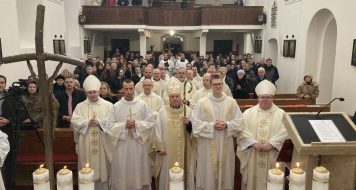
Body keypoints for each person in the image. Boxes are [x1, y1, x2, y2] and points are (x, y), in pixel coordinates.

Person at [192, 74, 245, 190]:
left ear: (223, 84)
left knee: (226, 171)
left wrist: (227, 125)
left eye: (219, 84)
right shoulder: (202, 103)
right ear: (210, 85)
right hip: (207, 143)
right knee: (208, 171)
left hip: (226, 140)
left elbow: (240, 121)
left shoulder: (231, 102)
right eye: (215, 84)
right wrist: (212, 126)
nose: (217, 86)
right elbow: (195, 123)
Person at [236, 80, 289, 190]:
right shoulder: (248, 113)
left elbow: (286, 132)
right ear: (258, 98)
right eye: (262, 97)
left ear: (272, 98)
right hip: (253, 154)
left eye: (268, 97)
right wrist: (253, 143)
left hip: (273, 155)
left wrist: (272, 144)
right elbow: (242, 131)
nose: (265, 100)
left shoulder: (281, 114)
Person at [108, 79, 155, 190]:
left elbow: (151, 122)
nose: (129, 91)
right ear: (123, 90)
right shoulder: (116, 106)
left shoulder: (142, 105)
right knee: (122, 169)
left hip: (138, 144)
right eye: (126, 89)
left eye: (131, 88)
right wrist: (124, 126)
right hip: (122, 146)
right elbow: (109, 127)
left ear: (134, 89)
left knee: (138, 169)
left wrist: (137, 124)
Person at [71, 75, 114, 190]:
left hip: (103, 142)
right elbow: (74, 121)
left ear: (99, 91)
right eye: (89, 92)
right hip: (86, 143)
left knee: (103, 169)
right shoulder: (80, 106)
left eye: (94, 92)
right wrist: (86, 123)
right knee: (87, 169)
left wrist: (100, 123)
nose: (92, 94)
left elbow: (113, 123)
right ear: (86, 93)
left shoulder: (108, 105)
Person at [154, 77, 195, 190]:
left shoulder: (188, 111)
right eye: (172, 97)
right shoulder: (162, 112)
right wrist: (160, 147)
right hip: (167, 152)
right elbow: (157, 131)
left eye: (177, 96)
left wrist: (189, 125)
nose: (175, 99)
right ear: (169, 98)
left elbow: (195, 132)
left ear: (181, 97)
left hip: (185, 150)